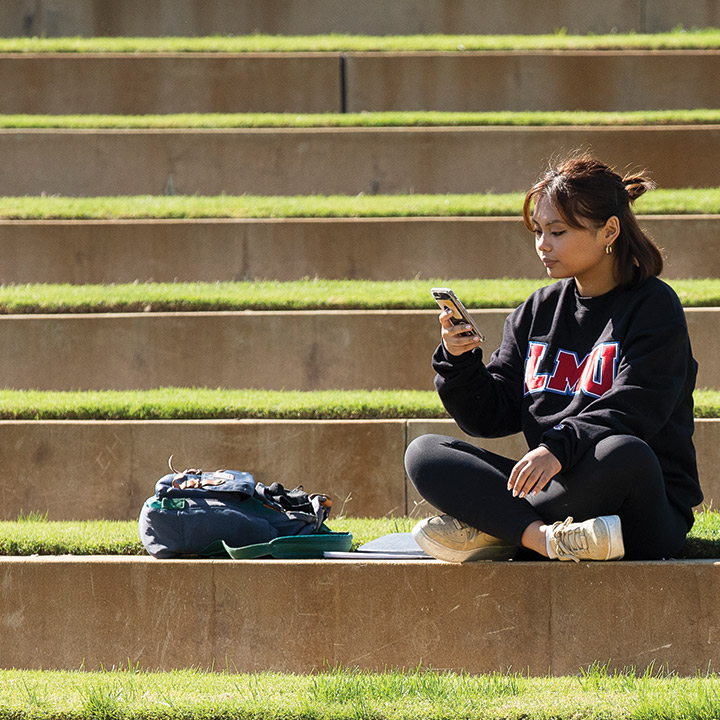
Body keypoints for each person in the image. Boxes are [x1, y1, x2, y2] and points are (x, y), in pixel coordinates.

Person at [404, 154, 703, 563]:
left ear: (609, 230)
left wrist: (560, 447)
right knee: (425, 452)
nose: (543, 245)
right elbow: (490, 416)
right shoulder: (539, 309)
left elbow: (637, 406)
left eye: (558, 232)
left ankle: (498, 526)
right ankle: (543, 538)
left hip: (639, 510)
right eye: (539, 231)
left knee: (623, 452)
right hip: (558, 492)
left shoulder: (654, 306)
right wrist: (460, 361)